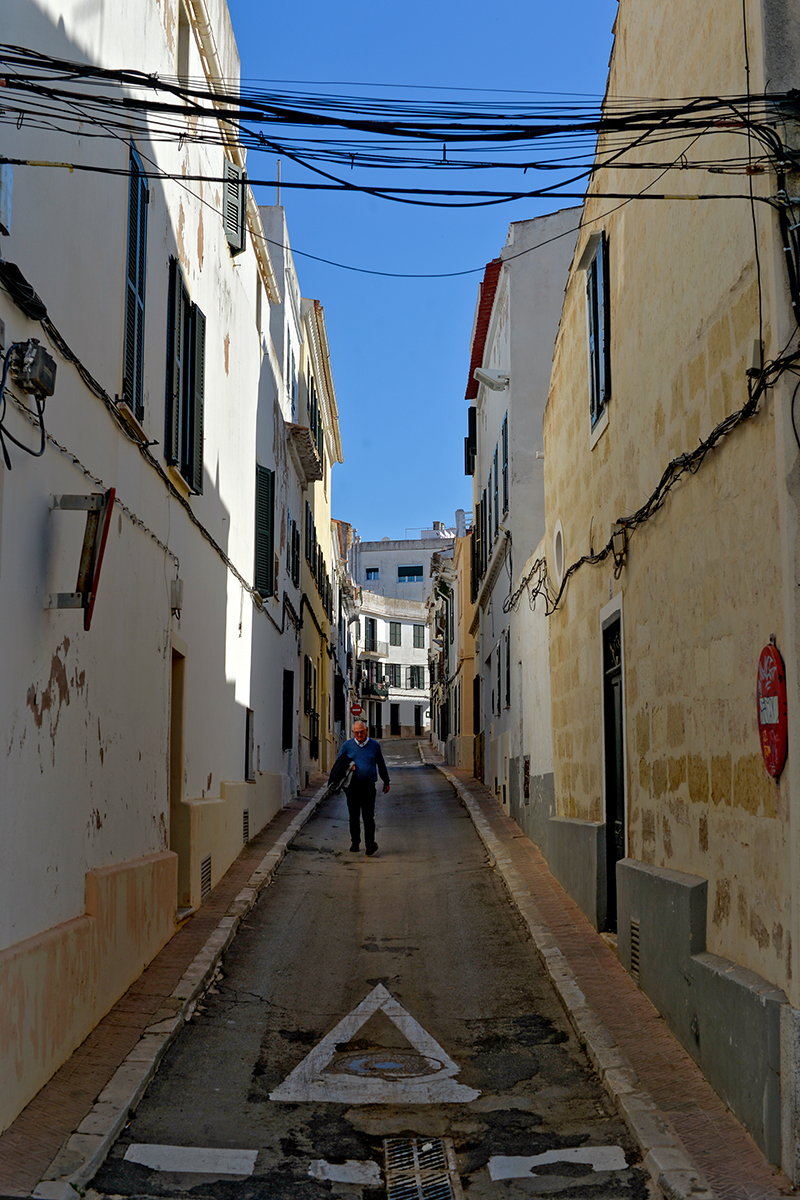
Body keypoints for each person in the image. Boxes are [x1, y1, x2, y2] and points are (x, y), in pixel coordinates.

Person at [329, 720, 390, 855]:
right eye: (356, 733)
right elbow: (339, 764)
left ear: (366, 730)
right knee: (354, 815)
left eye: (362, 732)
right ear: (353, 733)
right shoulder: (347, 746)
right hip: (352, 787)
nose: (360, 735)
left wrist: (386, 781)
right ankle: (355, 842)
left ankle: (369, 844)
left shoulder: (374, 746)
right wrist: (349, 765)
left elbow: (381, 764)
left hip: (368, 786)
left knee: (368, 816)